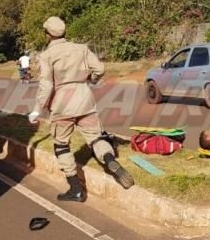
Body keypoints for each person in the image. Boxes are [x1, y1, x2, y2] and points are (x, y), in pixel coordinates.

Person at [29, 16, 134, 202]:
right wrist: (91, 80)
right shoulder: (81, 49)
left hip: (62, 104)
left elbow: (46, 85)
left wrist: (37, 109)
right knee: (95, 137)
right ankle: (110, 159)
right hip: (85, 99)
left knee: (61, 145)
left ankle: (76, 189)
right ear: (65, 32)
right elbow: (100, 69)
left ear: (47, 35)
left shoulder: (46, 56)